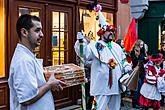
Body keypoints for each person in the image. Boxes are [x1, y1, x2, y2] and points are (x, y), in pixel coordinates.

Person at [74, 4, 131, 110]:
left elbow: (123, 60)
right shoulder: (94, 45)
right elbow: (84, 54)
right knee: (98, 108)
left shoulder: (116, 47)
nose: (111, 33)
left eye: (112, 31)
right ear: (102, 32)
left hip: (116, 86)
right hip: (101, 87)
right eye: (109, 31)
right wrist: (81, 42)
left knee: (115, 108)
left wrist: (127, 67)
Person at [8, 14, 66, 110]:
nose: (42, 34)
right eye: (37, 30)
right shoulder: (23, 60)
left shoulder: (27, 56)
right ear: (24, 32)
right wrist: (49, 85)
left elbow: (35, 88)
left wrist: (49, 82)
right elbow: (27, 99)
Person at [130, 39, 148, 109]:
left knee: (141, 88)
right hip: (136, 72)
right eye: (140, 45)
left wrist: (146, 59)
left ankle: (139, 102)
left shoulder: (142, 51)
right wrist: (143, 58)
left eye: (142, 45)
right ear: (137, 44)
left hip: (142, 71)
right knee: (137, 88)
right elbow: (135, 61)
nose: (142, 46)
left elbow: (144, 61)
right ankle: (135, 103)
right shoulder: (133, 52)